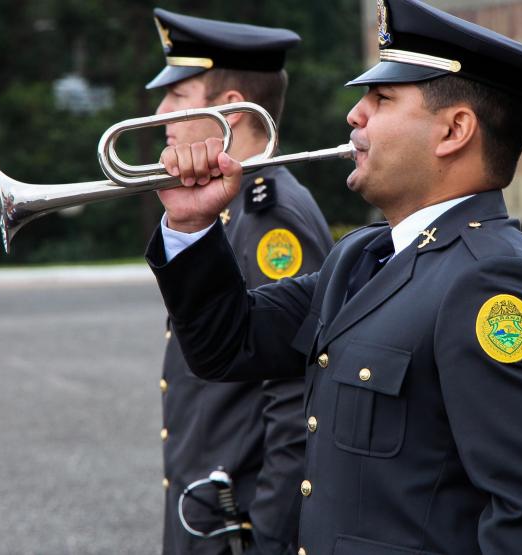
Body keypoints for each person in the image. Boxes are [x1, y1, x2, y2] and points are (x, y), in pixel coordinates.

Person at [146, 0, 522, 553]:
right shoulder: (362, 256)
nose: (355, 115)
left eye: (381, 99)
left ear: (454, 130)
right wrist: (192, 225)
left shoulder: (488, 280)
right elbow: (226, 346)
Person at [145, 8, 333, 555]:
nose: (160, 114)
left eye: (178, 98)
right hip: (209, 510)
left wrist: (269, 534)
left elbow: (297, 403)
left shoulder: (269, 214)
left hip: (239, 525)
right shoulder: (229, 211)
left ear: (231, 111)